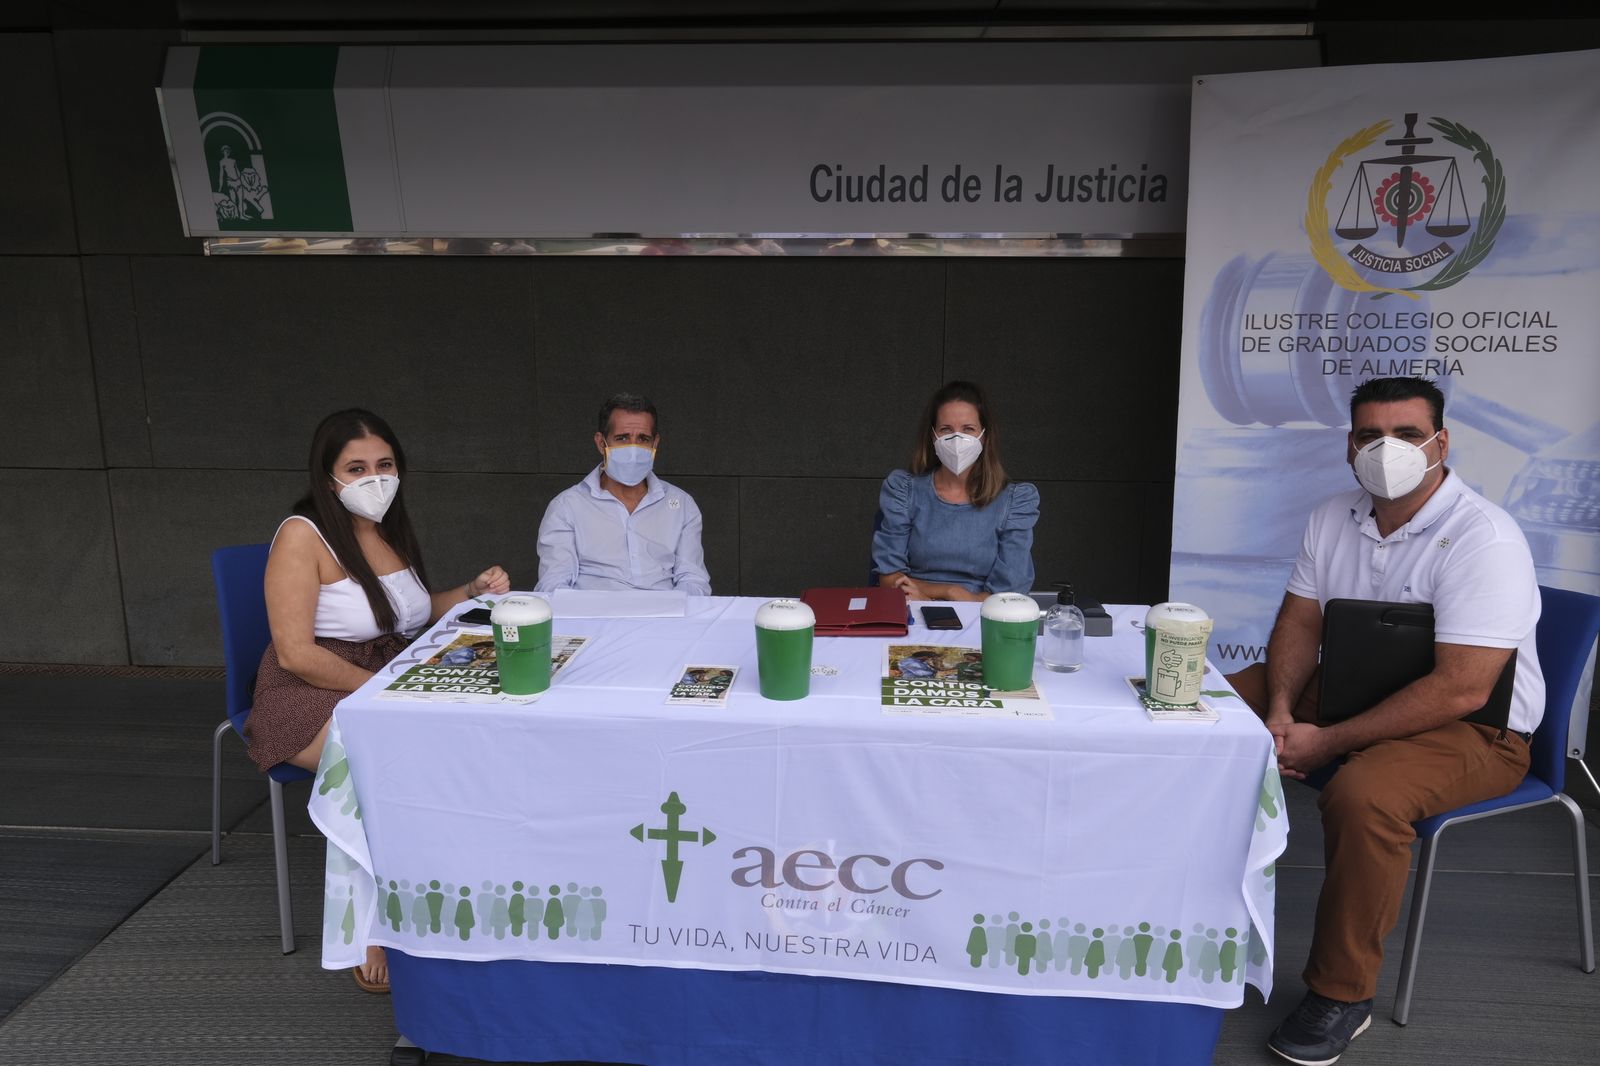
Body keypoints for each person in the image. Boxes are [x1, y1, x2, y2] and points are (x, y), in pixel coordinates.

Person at [1225, 377, 1542, 1066]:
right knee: (1212, 708)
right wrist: (1279, 712)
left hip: (1476, 729)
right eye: (1370, 436)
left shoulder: (1483, 536)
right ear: (1349, 445)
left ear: (1441, 443)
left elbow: (1462, 688)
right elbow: (1300, 623)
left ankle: (1341, 994)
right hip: (1348, 691)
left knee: (1365, 794)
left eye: (1406, 434)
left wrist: (1327, 741)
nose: (1386, 449)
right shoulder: (1332, 515)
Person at [249, 408, 510, 993]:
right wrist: (384, 692)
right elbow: (294, 654)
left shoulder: (387, 527)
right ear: (328, 475)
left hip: (385, 675)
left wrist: (468, 592)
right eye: (358, 467)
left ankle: (456, 892)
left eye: (385, 465)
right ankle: (374, 926)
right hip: (309, 692)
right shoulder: (302, 535)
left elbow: (408, 615)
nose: (375, 478)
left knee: (468, 744)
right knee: (393, 765)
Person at [872, 380, 1038, 601]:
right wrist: (950, 593)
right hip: (912, 612)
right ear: (933, 436)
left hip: (982, 620)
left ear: (984, 436)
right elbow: (889, 580)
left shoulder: (1013, 501)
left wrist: (943, 594)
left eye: (968, 429)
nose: (957, 439)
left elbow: (1010, 594)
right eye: (946, 429)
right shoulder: (904, 491)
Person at [535, 393, 711, 596]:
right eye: (623, 438)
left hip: (664, 619)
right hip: (592, 619)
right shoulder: (566, 506)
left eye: (643, 439)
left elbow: (693, 579)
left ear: (655, 444)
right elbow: (554, 584)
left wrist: (673, 613)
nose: (634, 448)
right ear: (601, 443)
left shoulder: (682, 505)